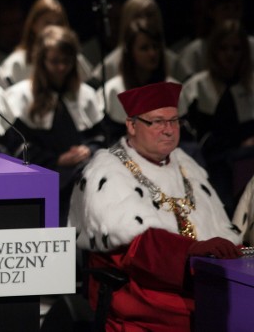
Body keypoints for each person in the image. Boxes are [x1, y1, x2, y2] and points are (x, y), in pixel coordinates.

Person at [68, 81, 242, 332]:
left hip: (200, 276)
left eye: (174, 121)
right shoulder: (105, 171)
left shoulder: (186, 165)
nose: (169, 130)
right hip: (143, 290)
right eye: (157, 121)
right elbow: (134, 249)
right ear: (131, 125)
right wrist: (192, 250)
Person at [4, 25, 105, 225]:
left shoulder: (85, 95)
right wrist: (57, 160)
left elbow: (101, 139)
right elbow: (16, 148)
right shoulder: (21, 96)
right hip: (41, 182)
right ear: (41, 62)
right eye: (55, 62)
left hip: (84, 179)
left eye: (67, 62)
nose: (61, 68)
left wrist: (88, 150)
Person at [179, 19, 254, 216]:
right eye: (224, 48)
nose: (230, 55)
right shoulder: (196, 87)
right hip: (211, 165)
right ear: (213, 51)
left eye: (236, 49)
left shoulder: (251, 85)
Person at [98, 18, 179, 144]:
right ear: (130, 52)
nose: (152, 53)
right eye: (144, 48)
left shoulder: (171, 87)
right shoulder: (113, 90)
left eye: (155, 47)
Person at [0, 0, 91, 87]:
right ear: (33, 25)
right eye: (48, 23)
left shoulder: (74, 59)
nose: (54, 29)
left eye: (59, 23)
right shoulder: (16, 62)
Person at [90, 0, 178, 88]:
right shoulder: (110, 70)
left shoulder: (173, 64)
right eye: (139, 16)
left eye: (150, 15)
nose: (145, 22)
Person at [173, 0, 254, 83]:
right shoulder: (195, 51)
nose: (232, 14)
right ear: (212, 12)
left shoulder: (251, 45)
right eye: (226, 8)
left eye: (237, 8)